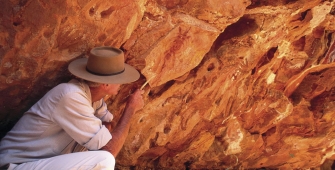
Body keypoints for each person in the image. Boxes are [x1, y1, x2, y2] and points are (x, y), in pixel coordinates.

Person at [0, 46, 144, 170]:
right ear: (105, 84)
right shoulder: (70, 96)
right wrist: (131, 107)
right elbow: (109, 150)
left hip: (40, 165)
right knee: (103, 161)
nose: (122, 84)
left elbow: (108, 129)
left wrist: (103, 134)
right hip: (15, 166)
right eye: (119, 80)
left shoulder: (95, 101)